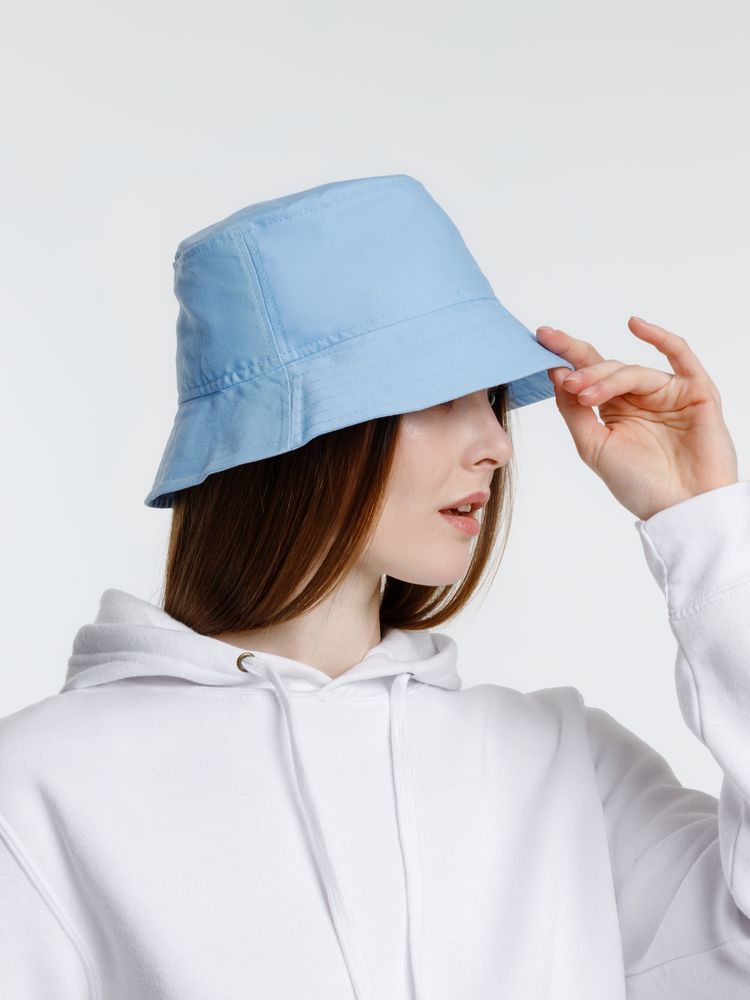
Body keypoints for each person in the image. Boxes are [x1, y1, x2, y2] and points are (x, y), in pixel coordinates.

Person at [0, 173, 748, 999]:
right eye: (442, 395)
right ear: (299, 437)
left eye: (492, 400)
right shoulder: (42, 785)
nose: (497, 445)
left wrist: (701, 522)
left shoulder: (562, 766)